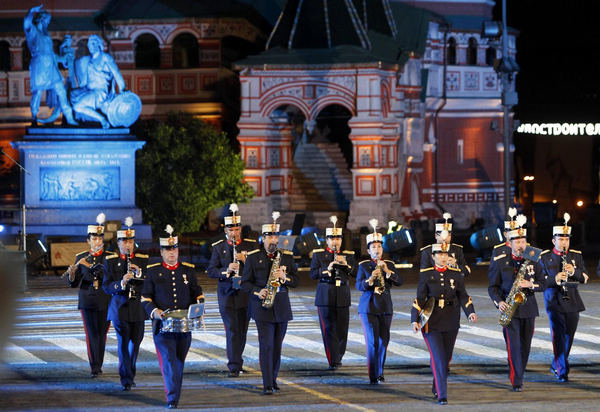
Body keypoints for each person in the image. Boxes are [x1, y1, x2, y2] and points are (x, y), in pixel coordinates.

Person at [141, 225, 204, 409]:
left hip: (184, 326)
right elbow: (145, 297)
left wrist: (199, 309)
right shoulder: (153, 271)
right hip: (163, 326)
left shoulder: (188, 270)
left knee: (179, 361)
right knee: (168, 360)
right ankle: (172, 397)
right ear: (161, 252)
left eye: (174, 249)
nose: (172, 253)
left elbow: (197, 293)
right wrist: (155, 311)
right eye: (168, 250)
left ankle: (174, 392)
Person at [411, 231, 477, 405]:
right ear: (433, 256)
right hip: (431, 321)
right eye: (440, 254)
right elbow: (420, 299)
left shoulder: (456, 274)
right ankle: (442, 395)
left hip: (451, 320)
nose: (443, 257)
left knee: (445, 358)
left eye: (445, 254)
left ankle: (436, 386)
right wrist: (414, 320)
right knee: (439, 357)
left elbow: (463, 295)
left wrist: (470, 311)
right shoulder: (426, 274)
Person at [241, 211, 298, 395]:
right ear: (263, 238)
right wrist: (258, 291)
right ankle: (267, 383)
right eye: (270, 236)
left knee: (277, 346)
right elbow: (245, 283)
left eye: (276, 236)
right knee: (266, 345)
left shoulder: (287, 256)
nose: (273, 240)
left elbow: (296, 281)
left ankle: (273, 379)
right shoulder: (253, 257)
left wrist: (285, 277)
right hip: (262, 307)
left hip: (281, 306)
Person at [488, 214, 546, 392]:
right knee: (513, 347)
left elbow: (545, 282)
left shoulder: (534, 257)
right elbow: (493, 287)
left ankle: (518, 371)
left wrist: (531, 284)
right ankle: (517, 380)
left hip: (528, 308)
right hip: (510, 310)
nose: (521, 245)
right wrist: (499, 302)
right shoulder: (501, 260)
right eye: (518, 241)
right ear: (510, 243)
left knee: (525, 347)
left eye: (523, 241)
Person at [207, 204, 258, 377]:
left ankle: (238, 361)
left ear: (240, 229)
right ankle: (234, 365)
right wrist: (226, 270)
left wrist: (246, 260)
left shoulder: (250, 246)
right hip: (227, 295)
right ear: (226, 230)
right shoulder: (219, 247)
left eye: (237, 229)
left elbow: (258, 269)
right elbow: (211, 271)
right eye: (231, 229)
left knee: (242, 330)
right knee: (232, 330)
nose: (234, 232)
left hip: (245, 294)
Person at [540, 213, 589, 382]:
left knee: (569, 336)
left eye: (566, 240)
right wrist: (555, 279)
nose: (564, 243)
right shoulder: (545, 257)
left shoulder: (575, 255)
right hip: (554, 301)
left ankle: (557, 362)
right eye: (561, 240)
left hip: (573, 302)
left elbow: (585, 278)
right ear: (554, 240)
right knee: (558, 335)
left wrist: (573, 271)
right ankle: (562, 370)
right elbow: (539, 282)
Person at [65, 212, 115, 377]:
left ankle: (98, 362)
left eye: (100, 239)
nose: (97, 242)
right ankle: (95, 366)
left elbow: (107, 277)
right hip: (87, 300)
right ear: (88, 241)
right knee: (91, 333)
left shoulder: (109, 257)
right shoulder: (80, 257)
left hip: (105, 299)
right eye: (94, 239)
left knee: (102, 333)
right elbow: (73, 283)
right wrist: (72, 274)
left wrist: (90, 266)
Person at [102, 217, 149, 391]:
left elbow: (149, 283)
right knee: (123, 343)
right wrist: (121, 283)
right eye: (124, 241)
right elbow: (106, 286)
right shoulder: (111, 261)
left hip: (137, 307)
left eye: (130, 241)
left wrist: (139, 273)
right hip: (119, 308)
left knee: (135, 342)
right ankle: (126, 378)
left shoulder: (143, 259)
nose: (127, 245)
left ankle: (131, 372)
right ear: (118, 243)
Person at [356, 219, 402, 384]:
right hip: (368, 307)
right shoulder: (363, 265)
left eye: (379, 247)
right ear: (368, 250)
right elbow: (359, 286)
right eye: (374, 247)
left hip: (385, 307)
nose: (377, 250)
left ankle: (380, 371)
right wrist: (370, 279)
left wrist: (388, 271)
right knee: (372, 342)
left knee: (384, 340)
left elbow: (399, 281)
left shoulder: (389, 264)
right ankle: (373, 374)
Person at [310, 215, 356, 370]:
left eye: (338, 238)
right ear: (327, 240)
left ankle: (339, 355)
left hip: (342, 295)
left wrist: (346, 266)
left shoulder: (348, 255)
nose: (335, 242)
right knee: (328, 329)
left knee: (342, 330)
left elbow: (355, 273)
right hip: (325, 295)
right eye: (332, 239)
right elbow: (312, 274)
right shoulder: (318, 254)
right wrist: (326, 269)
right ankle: (333, 359)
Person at [23, 5, 76, 125]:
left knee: (61, 90)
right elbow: (26, 22)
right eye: (47, 21)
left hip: (51, 66)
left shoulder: (47, 37)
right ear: (41, 20)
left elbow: (51, 54)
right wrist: (31, 11)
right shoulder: (33, 31)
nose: (47, 24)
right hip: (40, 65)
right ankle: (34, 118)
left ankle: (69, 117)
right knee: (37, 92)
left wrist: (62, 58)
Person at [70, 34, 126, 128]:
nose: (91, 46)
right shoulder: (89, 60)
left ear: (99, 45)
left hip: (99, 93)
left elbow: (116, 73)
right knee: (70, 94)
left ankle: (102, 120)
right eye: (90, 44)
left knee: (77, 106)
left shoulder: (105, 57)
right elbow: (84, 80)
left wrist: (122, 89)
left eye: (93, 43)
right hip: (88, 90)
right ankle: (81, 120)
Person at [489, 207, 518, 280]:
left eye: (515, 233)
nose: (513, 236)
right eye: (511, 233)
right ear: (505, 234)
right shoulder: (497, 251)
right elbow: (492, 275)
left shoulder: (527, 249)